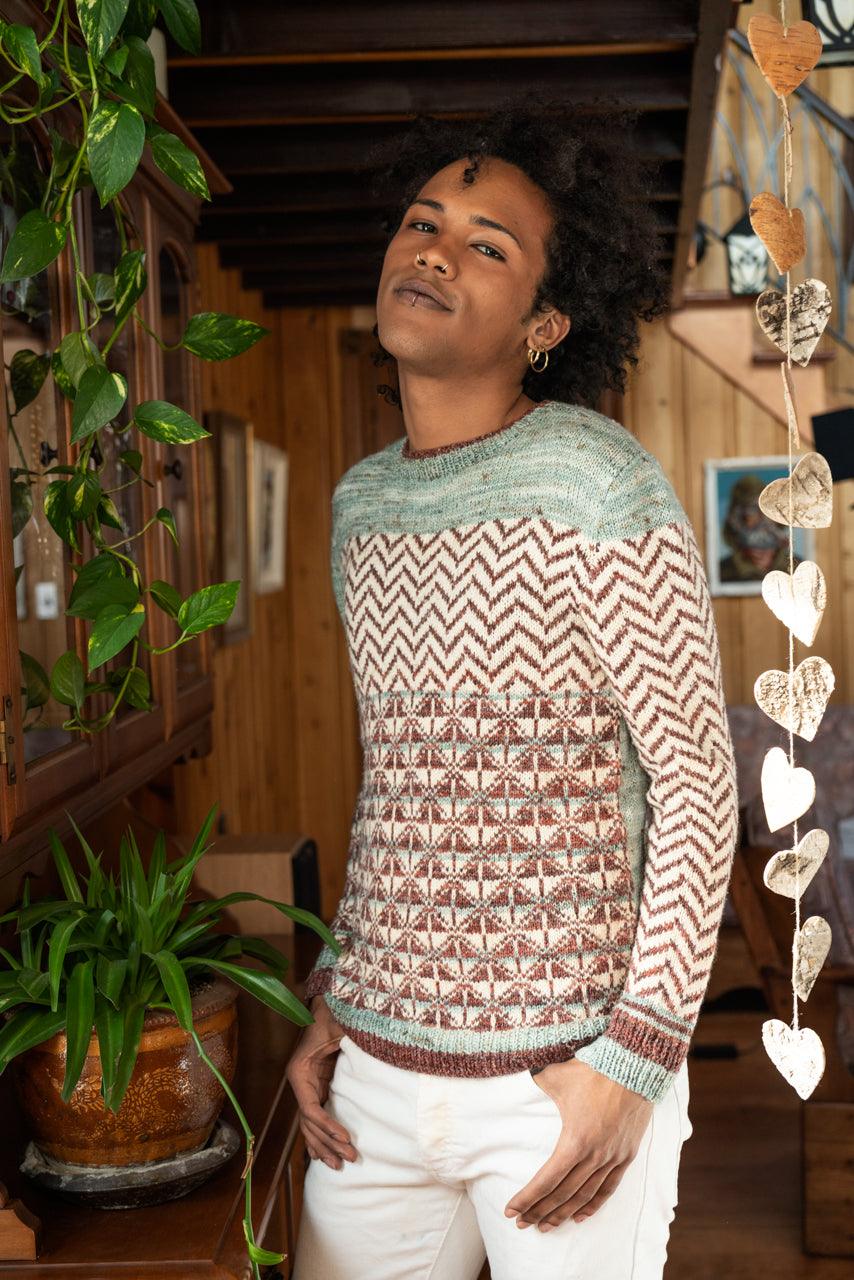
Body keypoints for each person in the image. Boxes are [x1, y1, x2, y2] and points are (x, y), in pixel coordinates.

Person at [288, 92, 740, 1280]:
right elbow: (403, 783)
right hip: (374, 1078)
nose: (433, 250)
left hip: (560, 1080)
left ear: (544, 322)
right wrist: (335, 990)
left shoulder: (598, 484)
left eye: (485, 245)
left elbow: (697, 788)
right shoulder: (358, 505)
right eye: (421, 222)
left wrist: (631, 1062)